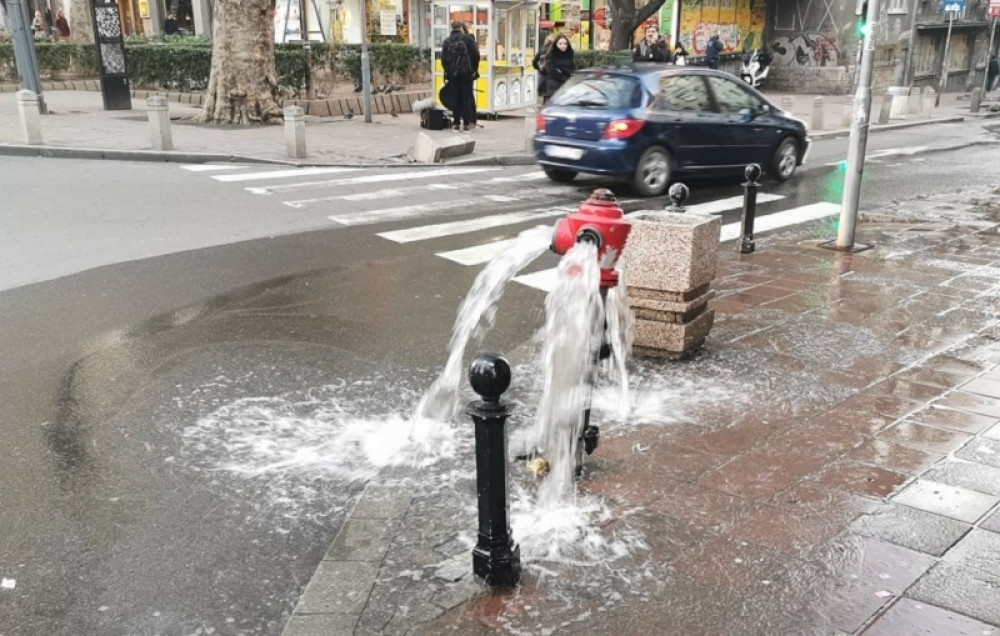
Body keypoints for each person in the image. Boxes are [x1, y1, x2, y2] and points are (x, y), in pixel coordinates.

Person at [441, 20, 479, 132]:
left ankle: (456, 124)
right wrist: (473, 69)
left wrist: (448, 70)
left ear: (451, 28)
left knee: (455, 97)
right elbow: (476, 54)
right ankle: (466, 124)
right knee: (466, 97)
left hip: (453, 74)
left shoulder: (447, 41)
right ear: (461, 27)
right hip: (466, 73)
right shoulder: (467, 39)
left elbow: (443, 59)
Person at [540, 34, 575, 103]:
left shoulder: (570, 54)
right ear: (556, 44)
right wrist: (565, 76)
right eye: (560, 43)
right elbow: (552, 72)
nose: (563, 45)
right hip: (554, 89)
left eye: (565, 44)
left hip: (566, 89)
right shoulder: (551, 55)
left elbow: (572, 69)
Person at [461, 23, 480, 128]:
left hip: (467, 72)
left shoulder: (468, 39)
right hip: (458, 72)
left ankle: (471, 119)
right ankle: (464, 118)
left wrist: (473, 69)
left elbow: (476, 55)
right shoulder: (455, 39)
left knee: (468, 95)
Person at [532, 34, 556, 103]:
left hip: (543, 77)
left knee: (545, 98)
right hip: (553, 78)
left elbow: (534, 62)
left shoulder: (542, 49)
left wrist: (539, 68)